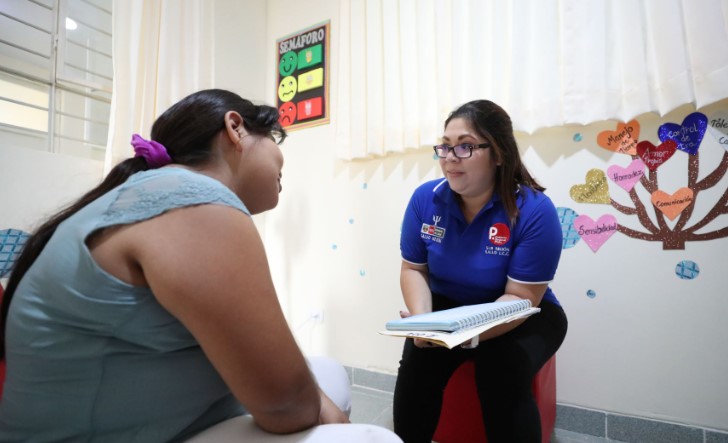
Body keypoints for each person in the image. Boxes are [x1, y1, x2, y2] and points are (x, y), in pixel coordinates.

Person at [0, 89, 401, 443]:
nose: (282, 162)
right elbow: (286, 406)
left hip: (146, 420)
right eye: (274, 139)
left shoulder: (153, 193)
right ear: (235, 128)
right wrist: (332, 421)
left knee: (328, 374)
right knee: (375, 438)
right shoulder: (194, 201)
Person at [392, 100, 568, 443]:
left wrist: (464, 334)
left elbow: (521, 297)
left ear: (498, 154)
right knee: (417, 364)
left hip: (525, 312)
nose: (450, 156)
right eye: (445, 145)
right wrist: (423, 322)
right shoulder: (425, 199)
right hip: (450, 308)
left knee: (502, 370)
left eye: (465, 146)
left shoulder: (535, 210)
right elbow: (413, 268)